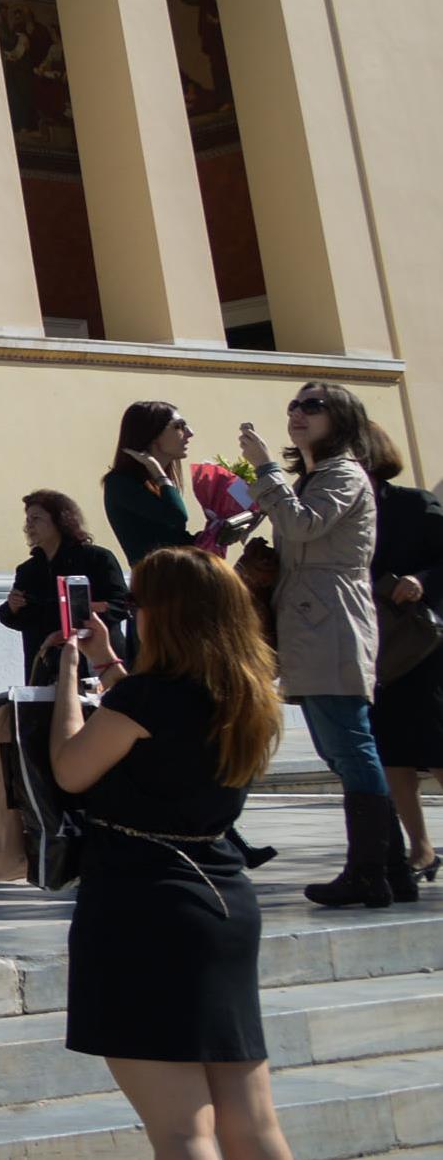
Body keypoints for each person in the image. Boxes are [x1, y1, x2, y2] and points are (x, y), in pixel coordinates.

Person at [49, 547, 293, 1160]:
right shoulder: (246, 692)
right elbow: (159, 733)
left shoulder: (147, 699)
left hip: (142, 906)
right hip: (223, 900)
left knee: (183, 1131)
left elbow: (71, 769)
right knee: (253, 1122)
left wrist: (69, 678)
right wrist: (109, 664)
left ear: (166, 614)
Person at [238, 383, 394, 906]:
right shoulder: (319, 476)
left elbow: (302, 525)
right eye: (293, 406)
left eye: (312, 407)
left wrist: (264, 470)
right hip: (313, 617)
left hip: (331, 619)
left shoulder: (343, 474)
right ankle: (389, 869)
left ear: (341, 418)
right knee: (339, 746)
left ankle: (371, 871)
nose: (297, 414)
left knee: (349, 744)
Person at [359, 421, 440, 891]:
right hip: (372, 646)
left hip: (424, 643)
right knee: (393, 752)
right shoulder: (336, 508)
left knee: (436, 745)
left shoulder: (412, 504)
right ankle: (420, 847)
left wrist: (423, 580)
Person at [2, 487, 131, 676]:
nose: (28, 526)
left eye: (36, 519)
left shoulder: (97, 558)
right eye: (27, 520)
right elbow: (21, 619)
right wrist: (12, 607)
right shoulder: (28, 570)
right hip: (46, 665)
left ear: (60, 520)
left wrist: (86, 609)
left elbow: (122, 604)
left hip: (93, 662)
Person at [104, 400, 211, 566]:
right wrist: (158, 471)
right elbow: (177, 517)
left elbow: (176, 538)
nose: (190, 433)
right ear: (152, 434)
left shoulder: (157, 483)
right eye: (178, 426)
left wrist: (220, 531)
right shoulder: (119, 482)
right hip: (155, 584)